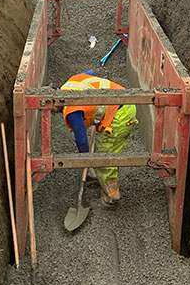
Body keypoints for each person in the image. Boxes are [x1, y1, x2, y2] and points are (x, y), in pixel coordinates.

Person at [58, 71, 137, 207]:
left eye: (52, 110)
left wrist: (86, 159)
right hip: (124, 100)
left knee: (103, 159)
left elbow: (82, 139)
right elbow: (91, 72)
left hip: (119, 116)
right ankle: (98, 175)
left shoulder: (72, 111)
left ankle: (111, 197)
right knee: (108, 152)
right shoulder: (70, 83)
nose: (53, 113)